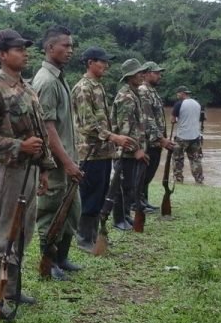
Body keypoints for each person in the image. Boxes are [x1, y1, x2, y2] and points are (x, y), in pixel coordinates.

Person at [0, 29, 55, 313]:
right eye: (19, 49)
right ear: (2, 54)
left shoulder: (28, 89)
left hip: (30, 170)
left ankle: (12, 289)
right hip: (10, 171)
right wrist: (20, 146)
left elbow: (40, 133)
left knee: (22, 232)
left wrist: (44, 168)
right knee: (3, 235)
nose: (25, 53)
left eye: (25, 49)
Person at [31, 26, 84, 280]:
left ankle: (61, 258)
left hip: (68, 159)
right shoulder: (47, 81)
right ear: (50, 47)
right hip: (56, 163)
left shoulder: (60, 78)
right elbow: (48, 129)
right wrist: (66, 163)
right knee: (51, 211)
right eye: (65, 45)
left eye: (72, 46)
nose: (70, 50)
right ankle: (48, 261)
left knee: (72, 210)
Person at [71, 48, 137, 247]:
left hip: (103, 152)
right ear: (90, 62)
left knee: (100, 195)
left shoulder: (98, 86)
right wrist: (114, 137)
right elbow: (87, 125)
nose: (106, 65)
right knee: (89, 196)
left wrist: (112, 140)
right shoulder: (83, 88)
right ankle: (83, 237)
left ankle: (92, 235)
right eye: (102, 61)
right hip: (89, 153)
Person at [110, 59, 150, 230]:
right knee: (122, 186)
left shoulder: (135, 94)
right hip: (124, 151)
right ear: (130, 76)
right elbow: (125, 128)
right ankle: (119, 219)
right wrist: (135, 150)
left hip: (131, 150)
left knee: (129, 186)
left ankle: (125, 215)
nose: (142, 75)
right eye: (139, 73)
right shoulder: (126, 97)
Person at [138, 61, 174, 211]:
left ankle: (143, 200)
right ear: (146, 74)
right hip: (148, 141)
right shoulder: (143, 91)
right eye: (156, 73)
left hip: (155, 142)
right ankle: (137, 202)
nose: (160, 76)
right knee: (143, 174)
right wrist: (161, 139)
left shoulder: (152, 91)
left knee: (148, 173)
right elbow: (147, 119)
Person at [172, 85, 204, 184]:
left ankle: (178, 180)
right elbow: (201, 118)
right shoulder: (197, 104)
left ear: (182, 93)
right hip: (195, 137)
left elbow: (172, 120)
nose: (177, 95)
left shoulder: (179, 104)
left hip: (182, 137)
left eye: (178, 93)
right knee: (196, 160)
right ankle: (199, 181)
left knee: (178, 160)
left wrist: (177, 120)